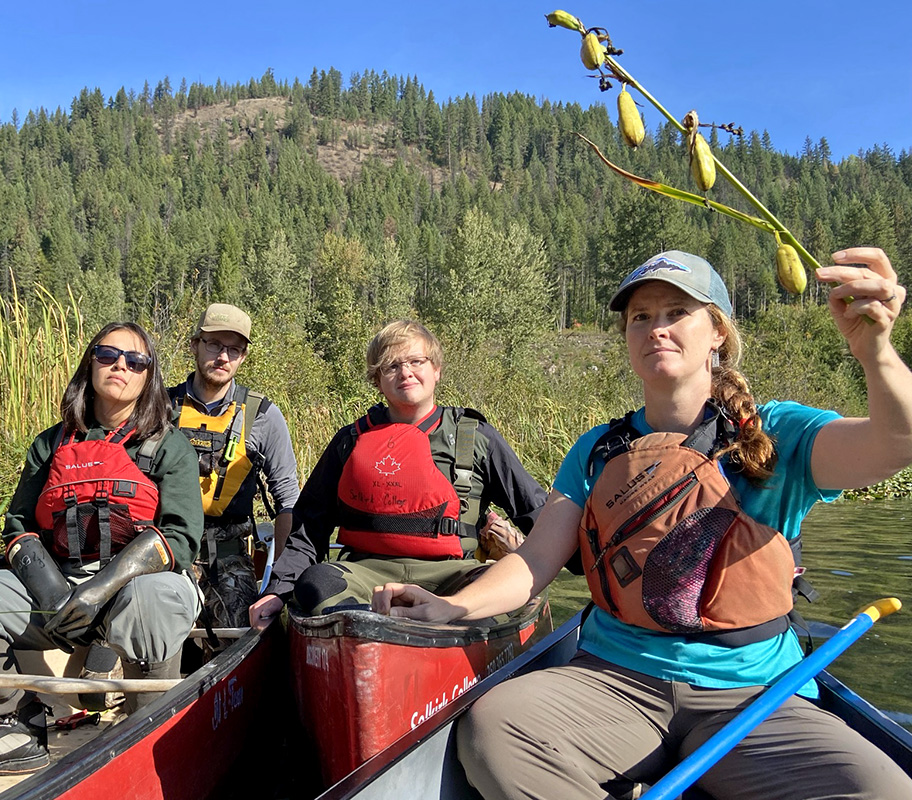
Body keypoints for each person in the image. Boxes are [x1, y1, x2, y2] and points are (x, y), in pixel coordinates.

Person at [373, 249, 912, 799]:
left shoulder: (779, 432)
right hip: (615, 682)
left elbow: (897, 442)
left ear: (718, 333)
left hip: (754, 696)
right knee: (495, 730)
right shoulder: (597, 451)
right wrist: (451, 607)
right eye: (641, 317)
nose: (657, 328)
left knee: (886, 791)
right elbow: (534, 562)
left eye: (677, 312)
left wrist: (876, 353)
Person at [0, 321, 202, 784]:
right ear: (90, 362)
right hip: (58, 586)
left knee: (153, 600)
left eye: (136, 361)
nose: (120, 367)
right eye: (108, 355)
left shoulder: (169, 446)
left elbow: (181, 538)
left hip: (137, 588)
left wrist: (99, 589)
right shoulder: (50, 444)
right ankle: (16, 729)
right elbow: (18, 524)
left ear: (148, 376)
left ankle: (148, 726)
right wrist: (51, 589)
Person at [249, 319, 547, 630]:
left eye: (417, 361)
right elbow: (309, 527)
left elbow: (536, 511)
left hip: (454, 577)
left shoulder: (476, 437)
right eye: (391, 366)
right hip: (366, 578)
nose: (405, 372)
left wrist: (585, 564)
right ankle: (368, 632)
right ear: (377, 380)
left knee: (499, 591)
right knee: (315, 583)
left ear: (436, 370)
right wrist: (277, 591)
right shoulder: (349, 441)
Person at [169, 303, 300, 631]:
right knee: (148, 627)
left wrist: (279, 584)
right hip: (166, 546)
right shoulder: (158, 407)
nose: (223, 357)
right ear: (195, 345)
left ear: (243, 356)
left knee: (242, 633)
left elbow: (288, 501)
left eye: (234, 349)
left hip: (228, 553)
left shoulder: (263, 415)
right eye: (214, 344)